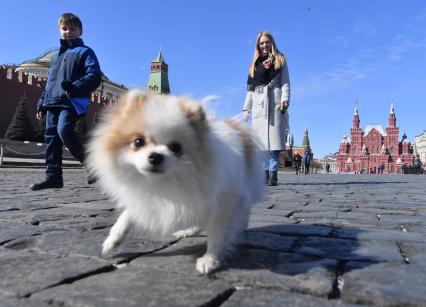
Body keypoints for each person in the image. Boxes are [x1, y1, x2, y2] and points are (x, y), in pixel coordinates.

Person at [31, 13, 102, 190]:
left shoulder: (85, 52)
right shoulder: (56, 57)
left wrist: (74, 87)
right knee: (51, 138)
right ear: (59, 31)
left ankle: (90, 163)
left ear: (80, 31)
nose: (68, 32)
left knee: (64, 130)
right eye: (64, 28)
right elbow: (50, 83)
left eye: (72, 29)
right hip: (52, 102)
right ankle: (53, 177)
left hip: (71, 101)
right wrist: (41, 102)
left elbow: (94, 76)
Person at [242, 31, 290, 186]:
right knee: (260, 142)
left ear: (272, 43)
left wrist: (284, 99)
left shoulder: (280, 60)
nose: (264, 45)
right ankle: (263, 173)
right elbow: (250, 89)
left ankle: (273, 173)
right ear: (258, 45)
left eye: (267, 42)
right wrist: (246, 108)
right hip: (258, 103)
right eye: (261, 43)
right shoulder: (254, 66)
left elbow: (285, 82)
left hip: (274, 101)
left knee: (275, 142)